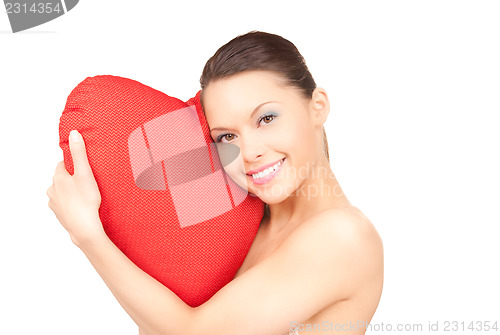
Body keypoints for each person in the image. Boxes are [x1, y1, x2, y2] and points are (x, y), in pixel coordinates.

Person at [47, 30, 384, 335]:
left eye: (266, 118)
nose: (249, 152)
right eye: (226, 136)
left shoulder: (345, 236)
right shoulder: (238, 218)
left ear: (317, 107)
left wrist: (90, 236)